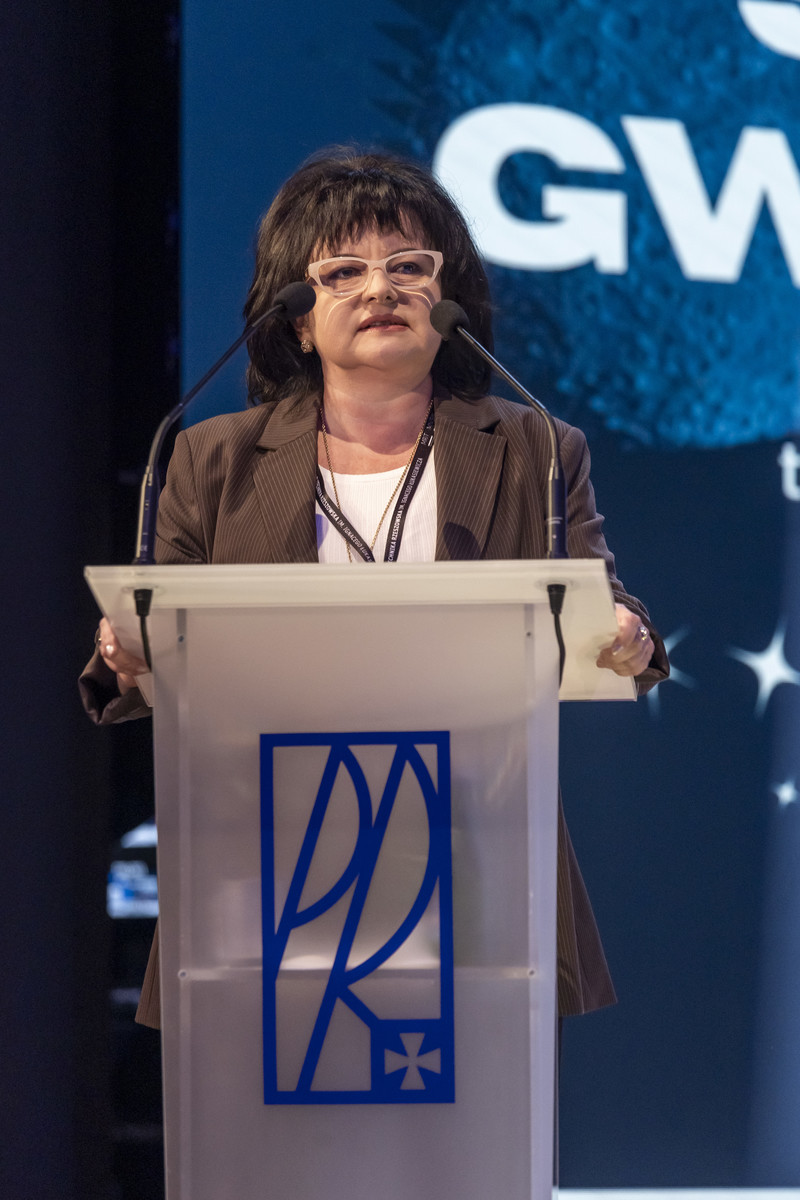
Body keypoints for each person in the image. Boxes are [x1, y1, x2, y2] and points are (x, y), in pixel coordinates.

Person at [80, 148, 669, 1030]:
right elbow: (151, 639)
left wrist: (625, 633)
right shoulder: (210, 458)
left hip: (475, 860)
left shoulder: (535, 447)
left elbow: (599, 602)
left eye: (409, 267)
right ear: (296, 320)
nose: (379, 288)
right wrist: (126, 651)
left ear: (448, 299)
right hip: (266, 859)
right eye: (341, 272)